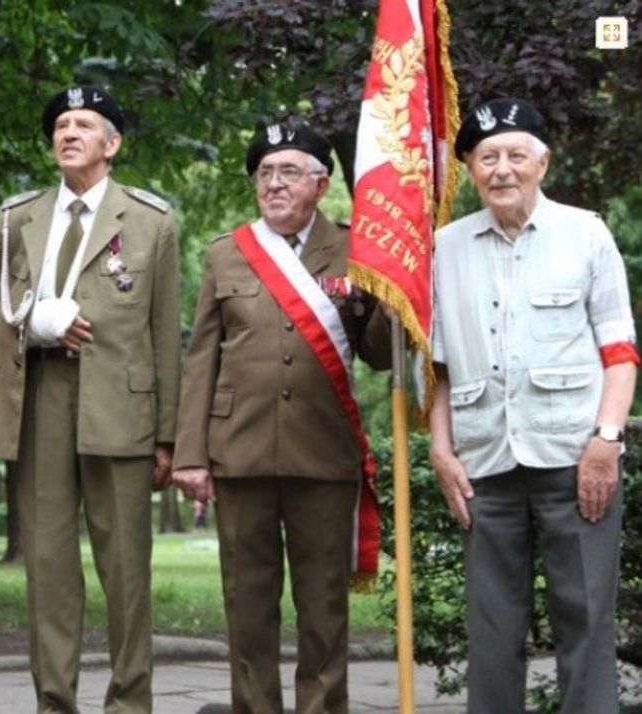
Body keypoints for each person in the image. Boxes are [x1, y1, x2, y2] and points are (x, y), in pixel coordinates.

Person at [0, 85, 180, 712]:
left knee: (127, 571)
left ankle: (129, 704)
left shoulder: (152, 221)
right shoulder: (15, 219)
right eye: (61, 125)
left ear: (112, 144)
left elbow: (165, 335)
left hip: (122, 407)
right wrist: (33, 327)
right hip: (39, 400)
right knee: (49, 569)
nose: (69, 133)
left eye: (84, 125)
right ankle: (54, 703)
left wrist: (169, 437)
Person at [429, 97, 638, 713]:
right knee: (491, 633)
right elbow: (438, 368)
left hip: (575, 461)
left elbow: (620, 352)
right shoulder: (445, 247)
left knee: (587, 622)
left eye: (516, 155)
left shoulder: (586, 233)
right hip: (484, 467)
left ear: (542, 163)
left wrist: (606, 440)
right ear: (471, 169)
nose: (502, 169)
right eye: (487, 157)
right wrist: (441, 449)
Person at [172, 124, 391, 714]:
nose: (273, 184)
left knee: (323, 608)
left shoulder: (357, 249)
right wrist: (190, 455)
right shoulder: (226, 252)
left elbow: (380, 355)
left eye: (288, 172)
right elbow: (202, 360)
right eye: (264, 173)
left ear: (320, 184)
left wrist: (393, 302)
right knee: (247, 605)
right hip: (238, 452)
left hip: (324, 453)